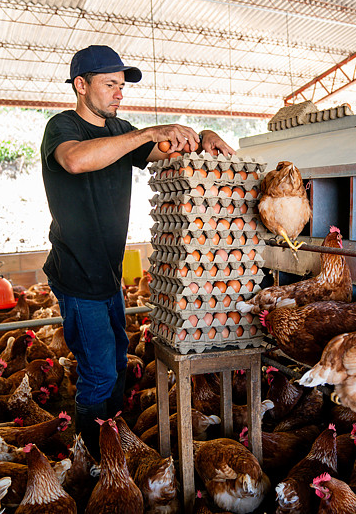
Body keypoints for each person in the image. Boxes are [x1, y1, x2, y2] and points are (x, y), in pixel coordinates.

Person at [40, 45, 235, 458]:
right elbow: (75, 161)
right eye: (110, 85)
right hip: (77, 274)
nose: (118, 94)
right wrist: (146, 132)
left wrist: (203, 139)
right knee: (98, 372)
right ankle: (94, 457)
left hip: (107, 273)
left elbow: (170, 151)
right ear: (81, 85)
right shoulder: (62, 128)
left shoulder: (119, 130)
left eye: (121, 86)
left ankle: (111, 434)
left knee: (115, 364)